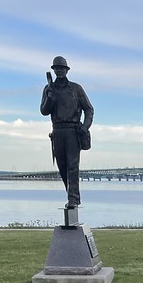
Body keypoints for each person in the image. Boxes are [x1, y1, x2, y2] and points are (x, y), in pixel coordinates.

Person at [40, 56, 94, 209]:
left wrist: (85, 127)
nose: (59, 71)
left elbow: (89, 109)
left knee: (72, 166)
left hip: (72, 130)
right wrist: (49, 97)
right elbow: (44, 111)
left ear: (66, 70)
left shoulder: (76, 89)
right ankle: (71, 196)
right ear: (54, 70)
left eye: (62, 68)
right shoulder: (48, 88)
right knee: (62, 166)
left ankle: (73, 199)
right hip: (57, 130)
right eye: (57, 68)